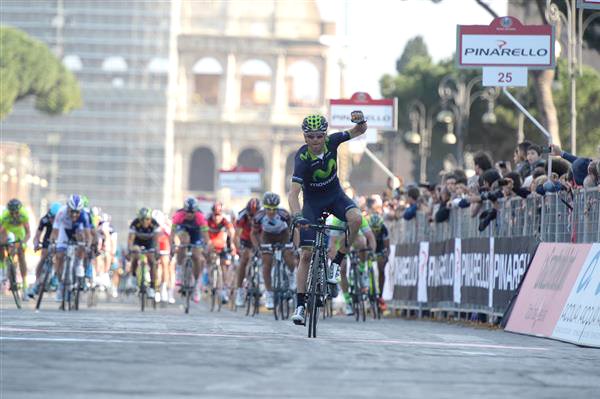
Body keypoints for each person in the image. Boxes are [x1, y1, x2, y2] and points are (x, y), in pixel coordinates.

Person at [287, 111, 368, 325]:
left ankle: (337, 262)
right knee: (306, 255)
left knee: (357, 219)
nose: (315, 140)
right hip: (313, 205)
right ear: (305, 137)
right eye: (311, 136)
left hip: (336, 198)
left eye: (319, 136)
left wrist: (360, 120)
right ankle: (301, 305)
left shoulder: (334, 142)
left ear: (325, 135)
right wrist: (297, 216)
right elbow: (293, 193)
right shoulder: (302, 158)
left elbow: (359, 130)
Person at [250, 192, 296, 310]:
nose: (271, 212)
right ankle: (269, 293)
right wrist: (257, 247)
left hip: (283, 235)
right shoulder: (259, 216)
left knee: (289, 257)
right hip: (267, 237)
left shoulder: (284, 214)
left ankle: (291, 275)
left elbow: (294, 230)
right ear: (264, 207)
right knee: (266, 263)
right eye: (268, 209)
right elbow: (254, 233)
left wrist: (295, 245)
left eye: (274, 209)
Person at [327, 214, 375, 315]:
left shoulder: (359, 218)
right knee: (343, 269)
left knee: (362, 242)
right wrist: (335, 260)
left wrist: (372, 251)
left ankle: (361, 271)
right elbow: (332, 242)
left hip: (355, 239)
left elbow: (370, 237)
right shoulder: (337, 220)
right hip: (341, 242)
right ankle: (348, 301)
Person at [50, 195, 94, 303]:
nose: (74, 214)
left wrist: (87, 246)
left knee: (82, 241)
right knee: (59, 255)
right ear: (67, 208)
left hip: (78, 232)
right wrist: (53, 243)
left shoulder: (84, 215)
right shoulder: (61, 212)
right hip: (64, 232)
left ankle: (79, 265)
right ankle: (60, 284)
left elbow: (88, 235)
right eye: (72, 211)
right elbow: (55, 232)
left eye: (77, 212)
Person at [171, 197, 211, 303]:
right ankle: (179, 271)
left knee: (197, 256)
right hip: (183, 229)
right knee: (184, 242)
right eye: (187, 212)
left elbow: (205, 235)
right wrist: (172, 244)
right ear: (184, 210)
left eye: (192, 212)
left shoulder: (200, 217)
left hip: (196, 232)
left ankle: (196, 284)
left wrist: (207, 244)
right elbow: (173, 232)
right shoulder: (179, 215)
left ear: (195, 211)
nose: (189, 215)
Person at [28, 202, 62, 298]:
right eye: (51, 217)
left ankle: (57, 277)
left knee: (59, 255)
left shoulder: (62, 219)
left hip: (60, 237)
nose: (52, 220)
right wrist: (36, 243)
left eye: (54, 218)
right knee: (43, 256)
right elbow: (38, 234)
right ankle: (36, 282)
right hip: (48, 238)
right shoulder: (45, 219)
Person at [0, 199, 32, 300]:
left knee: (21, 255)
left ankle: (25, 286)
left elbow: (28, 233)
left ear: (19, 210)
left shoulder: (24, 214)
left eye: (16, 212)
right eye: (11, 213)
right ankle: (4, 270)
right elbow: (1, 231)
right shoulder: (4, 216)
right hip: (8, 231)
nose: (14, 215)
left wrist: (23, 242)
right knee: (3, 247)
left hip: (19, 233)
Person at [127, 207, 160, 299]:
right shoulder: (134, 224)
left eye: (147, 219)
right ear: (139, 219)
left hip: (150, 242)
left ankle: (152, 286)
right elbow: (130, 240)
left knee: (152, 262)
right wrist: (129, 250)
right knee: (136, 254)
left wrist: (157, 250)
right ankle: (133, 277)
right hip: (137, 242)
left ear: (150, 219)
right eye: (142, 219)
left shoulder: (154, 224)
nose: (145, 222)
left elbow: (157, 241)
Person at [207, 201, 236, 303]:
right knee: (208, 257)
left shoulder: (225, 220)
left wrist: (231, 243)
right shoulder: (207, 220)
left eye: (218, 215)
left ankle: (224, 289)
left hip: (221, 244)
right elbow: (203, 233)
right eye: (215, 215)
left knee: (224, 266)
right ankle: (210, 280)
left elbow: (231, 231)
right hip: (211, 243)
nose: (216, 218)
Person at [234, 198, 261, 307]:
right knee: (245, 259)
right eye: (250, 215)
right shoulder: (242, 216)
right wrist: (238, 249)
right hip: (245, 240)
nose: (252, 218)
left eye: (255, 215)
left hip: (258, 239)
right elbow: (236, 236)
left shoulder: (262, 215)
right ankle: (239, 290)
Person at [367, 213, 389, 308]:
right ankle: (366, 287)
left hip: (380, 247)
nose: (375, 232)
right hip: (368, 246)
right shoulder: (366, 229)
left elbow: (387, 247)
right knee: (364, 264)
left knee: (381, 269)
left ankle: (380, 295)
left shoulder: (384, 229)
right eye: (373, 230)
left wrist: (385, 256)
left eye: (377, 230)